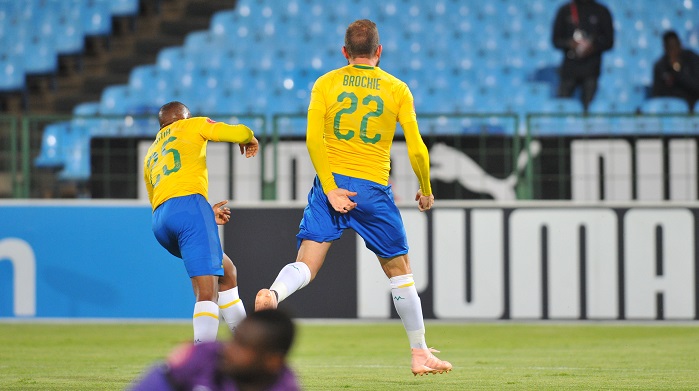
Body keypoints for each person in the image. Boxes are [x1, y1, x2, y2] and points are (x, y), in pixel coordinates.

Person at [254, 19, 452, 377]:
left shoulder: (326, 83)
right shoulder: (397, 89)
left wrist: (329, 187)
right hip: (372, 187)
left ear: (345, 52)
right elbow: (418, 150)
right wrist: (425, 186)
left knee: (306, 265)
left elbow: (313, 140)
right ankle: (420, 352)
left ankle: (273, 294)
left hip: (329, 185)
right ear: (379, 51)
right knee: (399, 271)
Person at [144, 101, 259, 343]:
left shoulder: (151, 153)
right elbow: (239, 132)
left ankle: (246, 345)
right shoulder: (192, 125)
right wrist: (249, 137)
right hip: (189, 210)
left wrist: (204, 215)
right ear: (183, 117)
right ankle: (202, 361)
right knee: (208, 292)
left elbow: (158, 197)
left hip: (161, 221)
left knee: (227, 273)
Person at [129, 309, 301, 391]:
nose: (229, 349)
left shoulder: (285, 387)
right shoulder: (203, 356)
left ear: (273, 361)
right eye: (234, 339)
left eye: (243, 346)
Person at [552, 0, 614, 111]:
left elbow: (609, 41)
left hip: (591, 68)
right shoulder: (565, 10)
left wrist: (593, 47)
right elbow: (556, 40)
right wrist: (570, 44)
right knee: (563, 108)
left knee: (589, 108)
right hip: (569, 68)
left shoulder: (602, 11)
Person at [652, 30, 699, 112]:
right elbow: (657, 94)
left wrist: (677, 71)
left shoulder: (692, 59)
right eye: (670, 47)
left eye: (676, 45)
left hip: (692, 106)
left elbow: (696, 86)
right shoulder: (660, 66)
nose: (674, 50)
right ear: (665, 48)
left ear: (680, 44)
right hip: (670, 110)